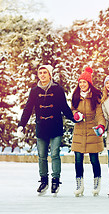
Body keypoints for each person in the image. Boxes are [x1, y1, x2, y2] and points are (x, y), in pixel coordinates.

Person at [17, 64, 75, 196]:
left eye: (45, 72)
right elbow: (27, 109)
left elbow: (64, 107)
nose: (42, 75)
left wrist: (73, 118)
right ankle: (44, 181)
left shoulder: (58, 90)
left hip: (55, 126)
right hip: (42, 126)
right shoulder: (34, 91)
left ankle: (55, 180)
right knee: (42, 156)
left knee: (55, 154)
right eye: (40, 73)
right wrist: (22, 124)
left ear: (50, 74)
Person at [71, 66, 106, 197]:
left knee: (94, 159)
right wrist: (75, 114)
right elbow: (72, 109)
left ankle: (97, 182)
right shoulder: (75, 96)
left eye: (84, 82)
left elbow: (100, 114)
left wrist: (101, 126)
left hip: (92, 130)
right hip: (79, 131)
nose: (82, 85)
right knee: (78, 159)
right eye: (80, 82)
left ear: (89, 83)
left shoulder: (96, 96)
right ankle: (79, 184)